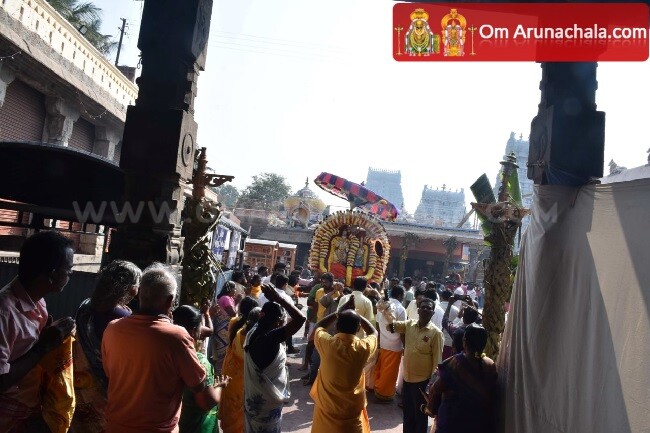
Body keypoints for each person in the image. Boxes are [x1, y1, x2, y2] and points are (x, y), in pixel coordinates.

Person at [102, 264, 223, 433]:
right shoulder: (176, 336)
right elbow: (198, 386)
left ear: (139, 293)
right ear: (170, 300)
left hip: (115, 426)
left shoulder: (112, 328)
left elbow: (110, 373)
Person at [0, 230, 76, 432]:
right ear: (52, 275)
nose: (70, 275)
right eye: (68, 270)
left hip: (29, 403)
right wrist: (43, 347)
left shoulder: (37, 300)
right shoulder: (4, 312)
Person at [71, 260, 142, 433]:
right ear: (131, 288)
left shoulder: (86, 305)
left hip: (80, 382)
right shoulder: (121, 317)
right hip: (103, 386)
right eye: (137, 284)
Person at [310, 297, 378, 433]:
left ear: (336, 326)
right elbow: (373, 332)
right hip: (351, 412)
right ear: (358, 328)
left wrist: (338, 313)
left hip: (326, 410)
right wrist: (357, 315)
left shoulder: (328, 344)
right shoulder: (363, 348)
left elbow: (318, 327)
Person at [243, 284, 305, 433]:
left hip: (253, 402)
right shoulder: (269, 339)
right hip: (267, 406)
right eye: (283, 320)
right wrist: (279, 299)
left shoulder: (253, 331)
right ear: (278, 322)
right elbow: (300, 319)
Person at [425, 324, 498, 433]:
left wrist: (430, 409)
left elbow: (436, 389)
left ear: (464, 341)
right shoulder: (490, 365)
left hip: (452, 425)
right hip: (479, 425)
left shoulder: (455, 363)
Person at [389, 298, 444, 433]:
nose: (425, 309)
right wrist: (386, 309)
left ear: (433, 312)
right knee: (408, 414)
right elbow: (391, 326)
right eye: (423, 307)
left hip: (422, 382)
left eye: (429, 308)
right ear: (418, 310)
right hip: (407, 379)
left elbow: (437, 361)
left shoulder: (436, 333)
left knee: (420, 416)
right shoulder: (409, 325)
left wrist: (430, 385)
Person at [174, 305, 231, 433]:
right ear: (195, 331)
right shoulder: (198, 361)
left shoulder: (165, 351)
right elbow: (207, 403)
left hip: (174, 421)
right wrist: (220, 386)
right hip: (195, 425)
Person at [220, 301, 261, 433]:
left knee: (231, 407)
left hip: (230, 368)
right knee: (241, 410)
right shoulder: (251, 334)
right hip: (242, 377)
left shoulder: (235, 322)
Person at [374, 285, 406, 402]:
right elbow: (401, 329)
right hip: (395, 345)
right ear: (400, 295)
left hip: (383, 341)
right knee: (390, 372)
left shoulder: (381, 305)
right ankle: (384, 393)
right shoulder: (400, 308)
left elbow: (377, 324)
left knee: (382, 367)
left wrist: (379, 339)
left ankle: (378, 387)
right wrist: (405, 345)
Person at [210, 281, 240, 374]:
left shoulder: (229, 298)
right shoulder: (225, 298)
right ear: (230, 289)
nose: (235, 291)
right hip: (222, 329)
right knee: (223, 350)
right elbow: (233, 314)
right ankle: (219, 372)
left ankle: (220, 371)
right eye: (234, 289)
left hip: (225, 328)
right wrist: (238, 302)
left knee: (224, 350)